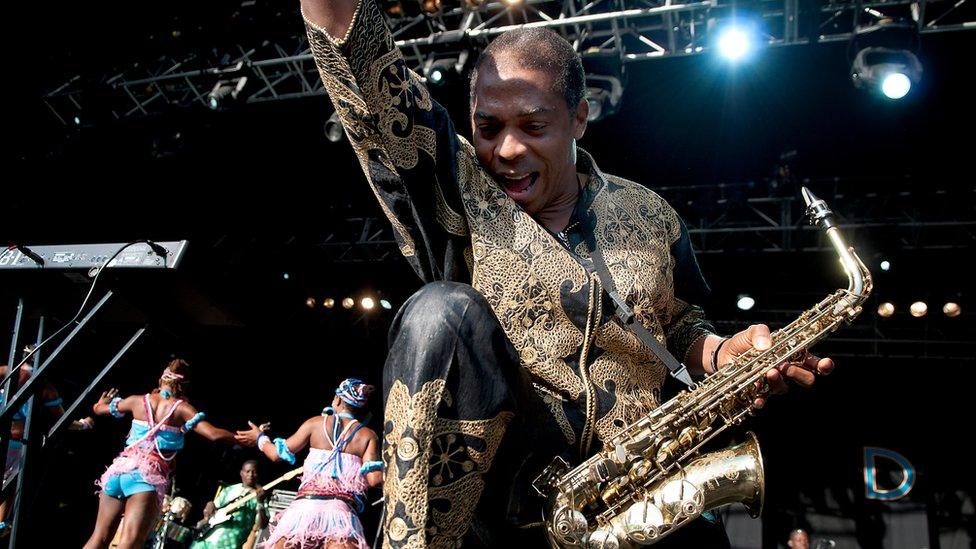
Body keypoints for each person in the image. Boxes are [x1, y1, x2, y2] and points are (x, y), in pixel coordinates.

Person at [298, 1, 835, 545]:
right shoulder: (460, 185)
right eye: (488, 128)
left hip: (638, 490)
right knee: (441, 311)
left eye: (533, 126)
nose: (506, 149)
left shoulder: (652, 213)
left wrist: (727, 353)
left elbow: (679, 328)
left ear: (579, 117)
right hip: (509, 490)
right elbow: (367, 70)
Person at [83, 358, 239, 549]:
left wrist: (100, 405)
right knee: (129, 543)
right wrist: (245, 439)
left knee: (98, 538)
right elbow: (213, 434)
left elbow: (100, 410)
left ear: (161, 381)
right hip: (145, 477)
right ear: (184, 387)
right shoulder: (182, 409)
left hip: (118, 471)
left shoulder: (137, 401)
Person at [235, 378, 383, 549]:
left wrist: (260, 438)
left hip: (303, 511)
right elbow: (375, 479)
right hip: (340, 514)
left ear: (338, 399)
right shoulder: (368, 436)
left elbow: (277, 455)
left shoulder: (315, 424)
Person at [0, 344, 94, 535]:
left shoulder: (6, 372)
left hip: (10, 440)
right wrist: (84, 424)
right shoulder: (43, 386)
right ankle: (1, 522)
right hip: (16, 442)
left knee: (9, 484)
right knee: (8, 487)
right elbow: (64, 421)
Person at [191, 459, 269, 549]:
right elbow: (213, 510)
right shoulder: (229, 490)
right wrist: (210, 505)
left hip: (229, 545)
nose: (250, 475)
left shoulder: (260, 497)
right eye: (247, 471)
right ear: (241, 473)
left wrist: (260, 503)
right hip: (206, 540)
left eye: (254, 472)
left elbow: (262, 525)